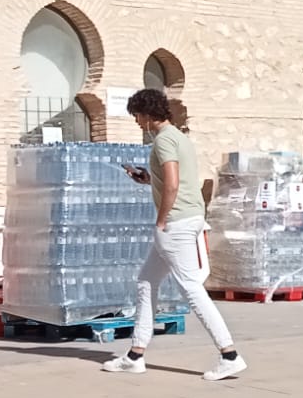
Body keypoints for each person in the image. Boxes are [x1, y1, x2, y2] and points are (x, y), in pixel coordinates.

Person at [101, 89, 246, 381]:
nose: (137, 122)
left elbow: (173, 182)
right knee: (146, 281)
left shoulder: (164, 141)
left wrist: (161, 219)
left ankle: (229, 354)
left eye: (137, 116)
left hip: (176, 224)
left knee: (191, 289)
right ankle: (135, 355)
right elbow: (170, 179)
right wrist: (147, 179)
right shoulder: (180, 138)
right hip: (188, 218)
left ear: (146, 114)